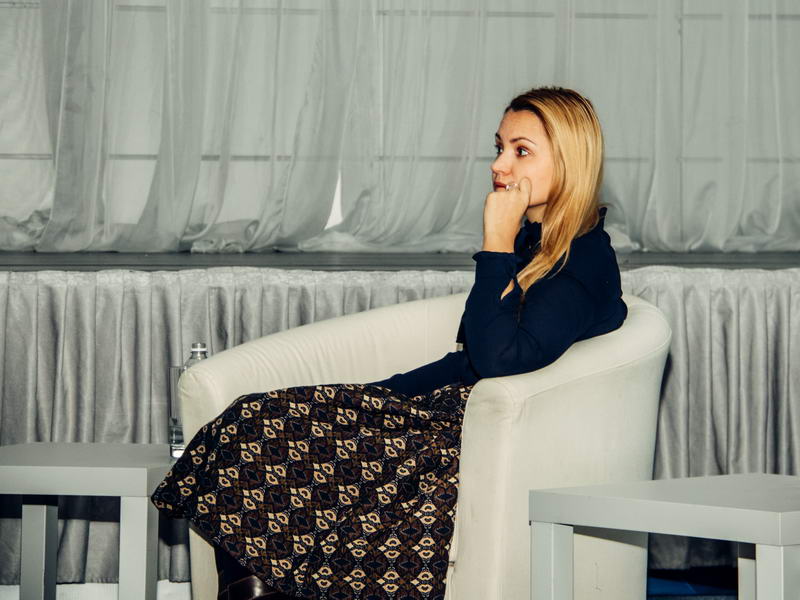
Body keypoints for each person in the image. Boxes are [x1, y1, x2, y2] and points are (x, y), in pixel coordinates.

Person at [151, 86, 627, 600]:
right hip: (451, 415)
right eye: (499, 147)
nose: (499, 165)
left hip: (470, 439)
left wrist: (495, 245)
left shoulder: (581, 260)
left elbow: (495, 360)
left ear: (570, 161)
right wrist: (377, 394)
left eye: (521, 150)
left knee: (262, 428)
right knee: (256, 418)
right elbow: (468, 359)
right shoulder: (538, 244)